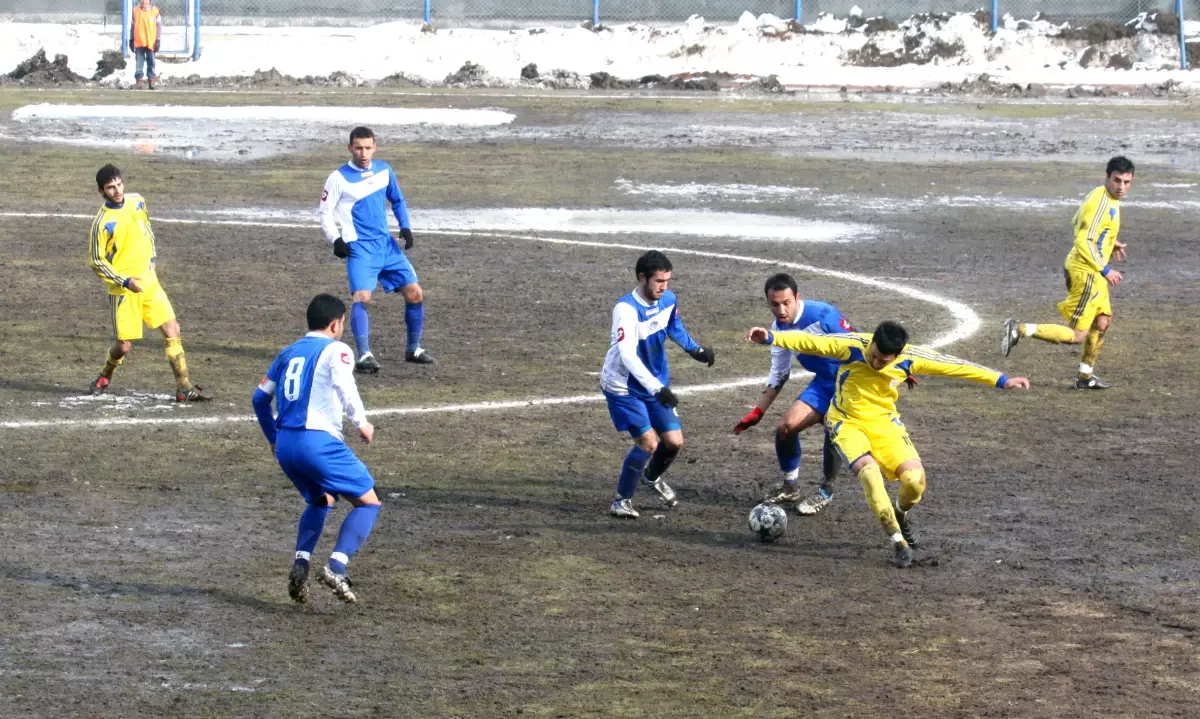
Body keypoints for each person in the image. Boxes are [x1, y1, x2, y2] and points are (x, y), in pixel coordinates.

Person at [746, 320, 1030, 568]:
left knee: (915, 482)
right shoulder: (853, 346)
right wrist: (770, 337)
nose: (876, 362)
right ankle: (898, 542)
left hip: (885, 425)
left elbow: (954, 365)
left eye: (884, 360)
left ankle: (901, 513)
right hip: (847, 423)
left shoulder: (910, 358)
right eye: (874, 356)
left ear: (898, 355)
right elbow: (812, 341)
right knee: (869, 475)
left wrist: (1001, 380)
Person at [252, 294, 382, 605]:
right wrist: (361, 422)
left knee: (320, 499)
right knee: (368, 503)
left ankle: (301, 562)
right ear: (336, 324)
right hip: (318, 443)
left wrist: (273, 439)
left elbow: (259, 399)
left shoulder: (288, 352)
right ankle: (337, 566)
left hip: (286, 445)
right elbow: (344, 385)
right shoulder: (336, 349)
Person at [1001, 156, 1135, 389]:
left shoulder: (1108, 198)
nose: (1121, 187)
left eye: (1126, 182)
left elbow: (1078, 223)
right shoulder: (1100, 202)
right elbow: (1082, 240)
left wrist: (1108, 243)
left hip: (1093, 269)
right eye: (1117, 180)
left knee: (1103, 322)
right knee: (1078, 335)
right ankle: (1020, 329)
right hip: (1086, 271)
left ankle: (1085, 377)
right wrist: (1105, 269)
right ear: (1107, 177)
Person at [600, 250, 715, 518]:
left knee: (674, 442)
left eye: (667, 281)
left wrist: (694, 350)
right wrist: (656, 388)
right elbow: (627, 354)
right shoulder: (626, 310)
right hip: (624, 386)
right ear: (642, 278)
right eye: (659, 281)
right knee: (649, 443)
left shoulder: (668, 300)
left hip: (653, 383)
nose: (664, 287)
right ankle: (621, 500)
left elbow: (672, 324)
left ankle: (651, 477)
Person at [732, 273, 854, 515]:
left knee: (833, 429)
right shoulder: (778, 331)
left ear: (798, 298)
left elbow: (858, 339)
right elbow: (779, 374)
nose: (781, 310)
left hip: (850, 384)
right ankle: (790, 487)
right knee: (786, 428)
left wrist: (892, 364)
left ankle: (825, 491)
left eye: (786, 302)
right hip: (823, 384)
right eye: (774, 304)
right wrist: (759, 411)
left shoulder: (822, 315)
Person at [88, 164, 210, 402]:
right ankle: (104, 375)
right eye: (110, 188)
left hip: (149, 282)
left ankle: (183, 386)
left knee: (172, 329)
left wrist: (152, 257)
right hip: (124, 290)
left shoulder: (138, 202)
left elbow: (147, 229)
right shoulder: (101, 223)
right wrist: (124, 280)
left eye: (119, 184)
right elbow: (96, 261)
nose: (117, 191)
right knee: (123, 346)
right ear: (101, 191)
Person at [319, 126, 433, 374]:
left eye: (368, 147)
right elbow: (325, 213)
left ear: (375, 147)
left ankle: (413, 349)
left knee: (415, 293)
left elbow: (397, 199)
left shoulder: (384, 170)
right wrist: (336, 239)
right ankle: (364, 355)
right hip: (360, 249)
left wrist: (405, 227)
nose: (364, 153)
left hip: (387, 246)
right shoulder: (338, 178)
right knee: (362, 297)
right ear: (350, 148)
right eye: (358, 148)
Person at [129, 0, 161, 90]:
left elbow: (159, 26)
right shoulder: (135, 11)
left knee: (151, 62)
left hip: (151, 41)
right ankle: (139, 81)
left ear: (150, 2)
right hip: (139, 41)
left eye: (146, 3)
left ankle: (152, 81)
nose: (144, 5)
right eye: (142, 3)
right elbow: (132, 26)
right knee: (139, 62)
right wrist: (131, 39)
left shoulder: (155, 11)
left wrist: (158, 39)